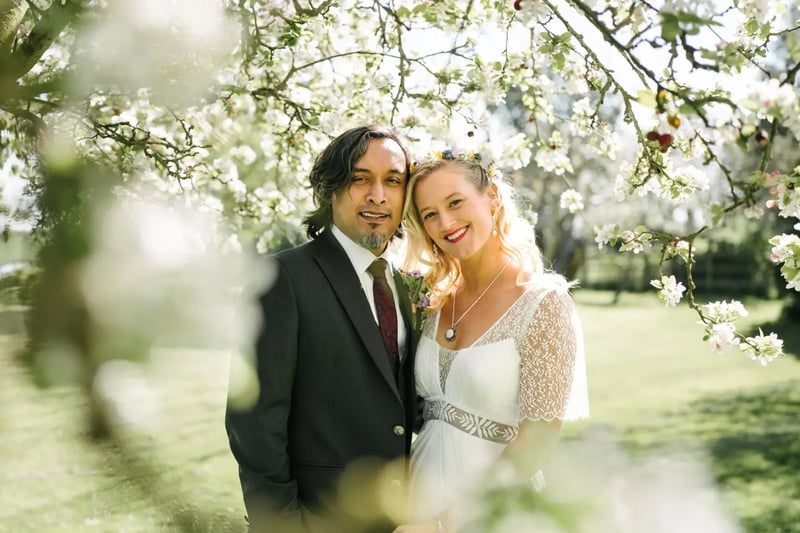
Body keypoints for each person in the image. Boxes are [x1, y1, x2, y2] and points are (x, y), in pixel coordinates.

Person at [225, 125, 421, 533]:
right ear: (331, 188)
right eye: (359, 178)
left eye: (393, 181)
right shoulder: (281, 278)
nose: (377, 196)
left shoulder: (404, 287)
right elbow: (255, 425)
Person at [394, 150, 589, 532]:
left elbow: (538, 441)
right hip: (414, 501)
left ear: (492, 197)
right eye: (430, 214)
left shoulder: (543, 303)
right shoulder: (431, 299)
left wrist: (440, 526)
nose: (445, 222)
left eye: (455, 202)